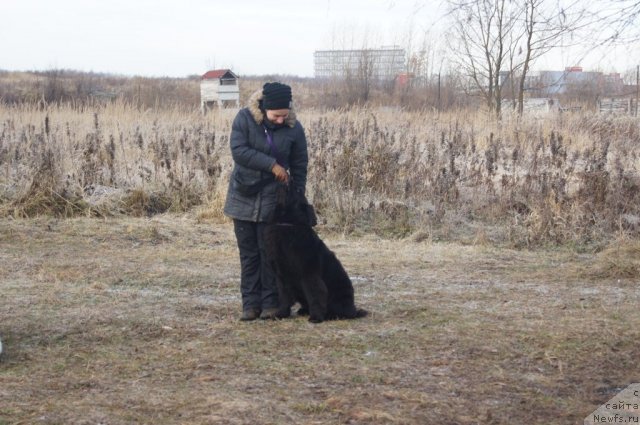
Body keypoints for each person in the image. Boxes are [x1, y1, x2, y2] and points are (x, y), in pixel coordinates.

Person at [223, 82, 309, 321]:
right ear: (265, 108)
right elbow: (239, 151)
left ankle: (272, 304)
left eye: (285, 115)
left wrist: (297, 195)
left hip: (275, 202)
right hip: (243, 196)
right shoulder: (244, 119)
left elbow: (300, 164)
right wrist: (272, 165)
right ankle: (250, 305)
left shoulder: (295, 128)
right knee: (249, 254)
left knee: (270, 254)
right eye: (276, 115)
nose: (281, 120)